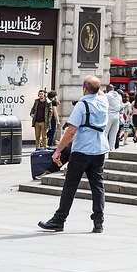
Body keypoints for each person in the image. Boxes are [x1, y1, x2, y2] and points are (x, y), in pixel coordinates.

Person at [38, 75, 110, 233]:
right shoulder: (104, 102)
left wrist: (58, 151)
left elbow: (71, 131)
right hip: (99, 150)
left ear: (84, 88)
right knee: (98, 186)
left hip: (82, 150)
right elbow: (100, 92)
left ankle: (59, 220)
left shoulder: (82, 105)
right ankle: (98, 222)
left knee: (70, 186)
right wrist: (96, 88)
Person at [103, 84, 123, 150]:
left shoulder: (106, 95)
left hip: (109, 115)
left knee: (105, 133)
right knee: (113, 134)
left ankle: (106, 148)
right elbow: (121, 107)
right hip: (116, 116)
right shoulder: (119, 96)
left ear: (107, 89)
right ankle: (112, 148)